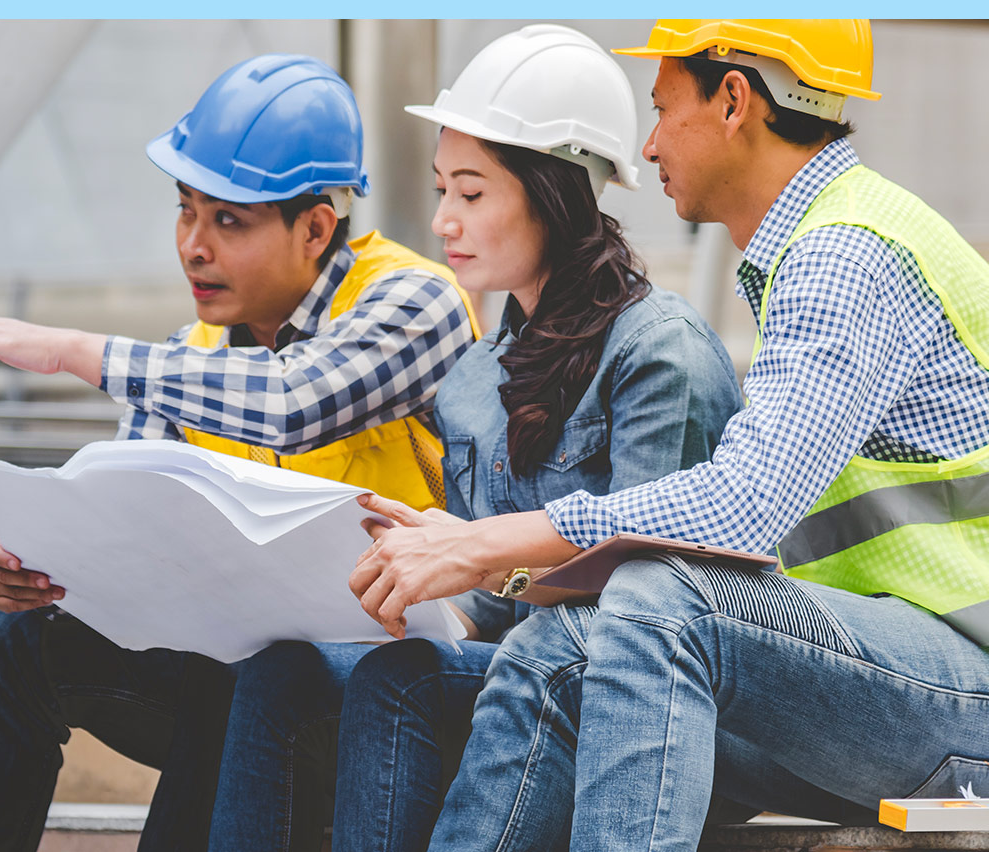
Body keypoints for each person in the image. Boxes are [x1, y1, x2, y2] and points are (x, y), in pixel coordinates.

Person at [349, 19, 989, 852]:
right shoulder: (813, 249)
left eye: (661, 109)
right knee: (557, 658)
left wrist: (483, 545)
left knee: (658, 597)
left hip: (962, 686)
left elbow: (741, 506)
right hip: (885, 676)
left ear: (733, 100)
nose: (646, 149)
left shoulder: (848, 253)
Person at [0, 54, 479, 852]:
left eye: (227, 221)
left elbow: (291, 400)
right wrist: (40, 559)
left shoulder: (416, 302)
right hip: (231, 679)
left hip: (382, 691)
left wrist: (73, 349)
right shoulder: (188, 356)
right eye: (185, 212)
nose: (192, 248)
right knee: (24, 639)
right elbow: (127, 524)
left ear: (315, 226)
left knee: (250, 672)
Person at [203, 26, 743, 852]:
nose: (442, 219)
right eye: (440, 189)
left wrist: (485, 562)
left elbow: (654, 603)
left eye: (471, 193)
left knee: (403, 681)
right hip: (499, 664)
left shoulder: (658, 352)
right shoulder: (470, 377)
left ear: (553, 193)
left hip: (614, 687)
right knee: (285, 669)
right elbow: (484, 603)